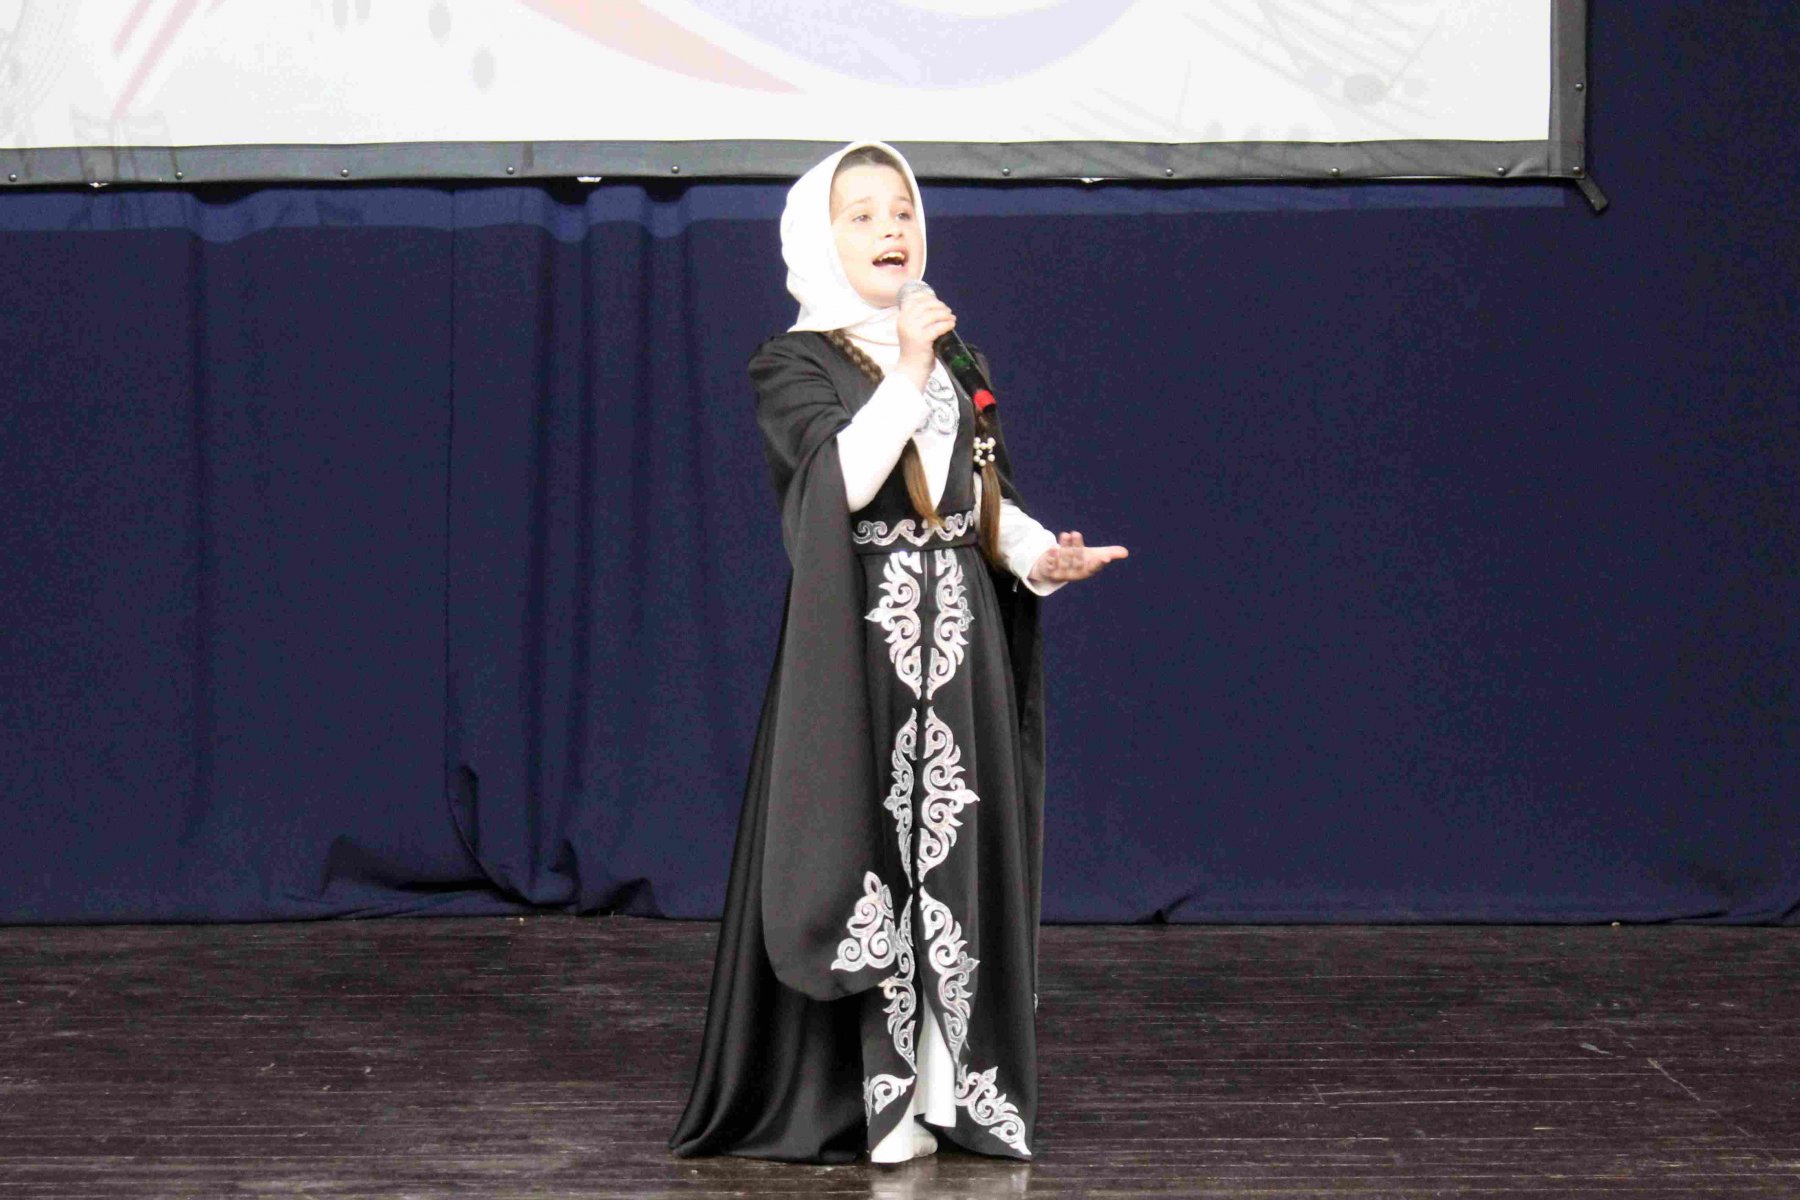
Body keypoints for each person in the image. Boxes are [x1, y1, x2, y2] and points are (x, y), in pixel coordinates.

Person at [669, 140, 1126, 1166]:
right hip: (860, 654)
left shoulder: (957, 360)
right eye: (864, 214)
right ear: (819, 239)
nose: (891, 230)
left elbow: (972, 500)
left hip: (957, 653)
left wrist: (1041, 557)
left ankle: (946, 1088)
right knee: (866, 852)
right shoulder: (795, 363)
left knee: (951, 852)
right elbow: (840, 481)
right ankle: (871, 1098)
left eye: (904, 211)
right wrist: (910, 368)